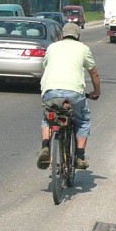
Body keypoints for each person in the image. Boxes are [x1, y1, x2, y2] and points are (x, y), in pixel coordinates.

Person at [37, 21, 100, 170]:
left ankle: (46, 147)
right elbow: (94, 74)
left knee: (48, 118)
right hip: (74, 93)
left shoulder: (52, 47)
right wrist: (96, 92)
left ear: (62, 36)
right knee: (83, 120)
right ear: (78, 36)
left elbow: (45, 67)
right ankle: (79, 156)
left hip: (50, 91)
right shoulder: (84, 49)